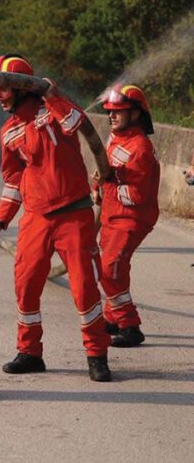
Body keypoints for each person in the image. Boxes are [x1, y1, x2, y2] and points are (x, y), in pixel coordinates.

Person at [0, 54, 113, 382]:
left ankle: (97, 355)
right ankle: (29, 353)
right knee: (25, 286)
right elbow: (13, 182)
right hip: (36, 219)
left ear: (22, 88)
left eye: (4, 89)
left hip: (74, 214)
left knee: (83, 288)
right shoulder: (9, 132)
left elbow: (76, 125)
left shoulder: (53, 112)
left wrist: (54, 96)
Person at [93, 84, 160, 348]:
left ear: (135, 114)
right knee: (113, 267)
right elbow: (110, 171)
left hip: (131, 220)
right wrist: (97, 186)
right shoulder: (116, 139)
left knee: (110, 270)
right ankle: (112, 318)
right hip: (112, 215)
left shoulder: (140, 148)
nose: (112, 116)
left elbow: (136, 197)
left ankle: (130, 326)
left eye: (118, 111)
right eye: (110, 111)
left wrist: (107, 184)